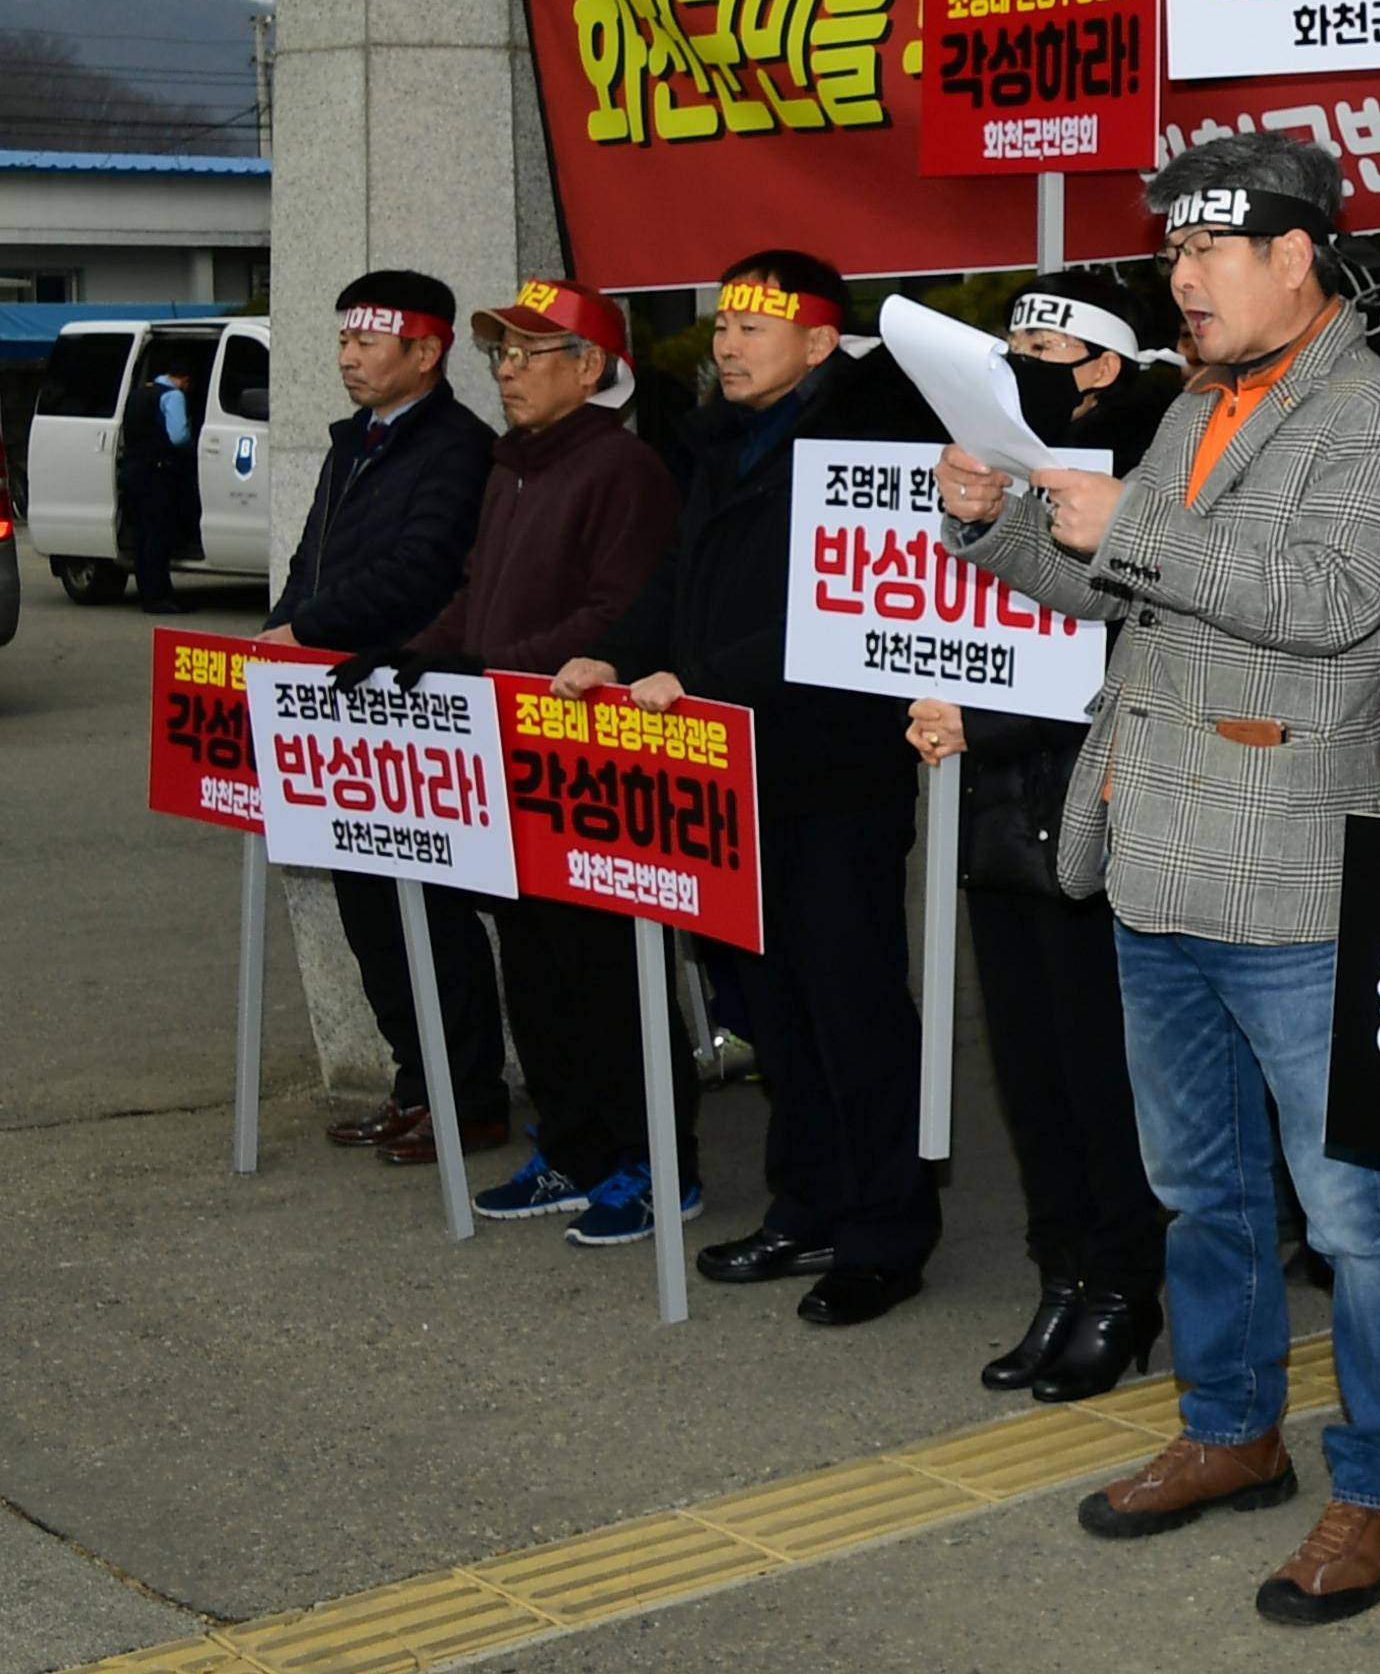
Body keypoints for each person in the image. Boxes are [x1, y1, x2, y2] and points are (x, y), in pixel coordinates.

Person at [937, 135, 1380, 1627]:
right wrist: (1004, 524)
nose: (1180, 280)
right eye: (1172, 256)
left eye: (1206, 255)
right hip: (1155, 848)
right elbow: (1120, 585)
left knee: (1353, 1215)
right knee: (1199, 1194)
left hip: (1289, 868)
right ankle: (1231, 1433)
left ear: (1296, 259)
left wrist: (1134, 525)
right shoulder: (1200, 407)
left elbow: (1331, 607)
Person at [555, 251, 941, 1329]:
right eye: (723, 325)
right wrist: (617, 655)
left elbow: (851, 610)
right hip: (728, 765)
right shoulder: (721, 437)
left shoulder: (879, 437)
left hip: (833, 765)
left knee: (851, 999)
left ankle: (885, 1229)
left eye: (753, 330)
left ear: (821, 341)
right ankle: (808, 1200)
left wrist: (703, 680)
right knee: (773, 1003)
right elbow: (677, 576)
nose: (725, 345)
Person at [328, 281, 693, 1245]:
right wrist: (422, 653)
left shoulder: (623, 468)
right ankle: (573, 1147)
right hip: (508, 753)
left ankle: (656, 1163)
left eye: (532, 354)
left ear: (591, 370)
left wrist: (482, 664)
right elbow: (475, 595)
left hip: (587, 765)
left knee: (607, 969)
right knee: (534, 965)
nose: (508, 370)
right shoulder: (511, 466)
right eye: (502, 353)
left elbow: (615, 618)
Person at [903, 269, 1176, 1404]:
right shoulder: (998, 470)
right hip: (1000, 796)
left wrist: (986, 711)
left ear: (1105, 367)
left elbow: (1132, 636)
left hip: (1103, 800)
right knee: (1026, 1062)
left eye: (1040, 358)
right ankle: (1060, 1270)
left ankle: (1123, 1282)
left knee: (1100, 1064)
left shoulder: (1159, 458)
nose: (1013, 376)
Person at [261, 272, 507, 1169]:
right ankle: (417, 1085)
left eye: (367, 343)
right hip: (340, 709)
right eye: (342, 342)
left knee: (430, 913)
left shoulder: (458, 449)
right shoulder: (354, 442)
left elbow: (422, 570)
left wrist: (307, 629)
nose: (348, 358)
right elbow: (311, 557)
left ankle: (470, 1098)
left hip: (412, 706)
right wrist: (280, 631)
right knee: (369, 911)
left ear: (427, 352)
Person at [117, 348, 203, 614]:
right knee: (158, 536)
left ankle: (149, 592)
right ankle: (158, 597)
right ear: (185, 380)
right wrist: (195, 447)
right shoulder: (173, 396)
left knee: (144, 536)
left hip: (133, 470)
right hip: (156, 473)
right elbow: (178, 437)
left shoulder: (140, 392)